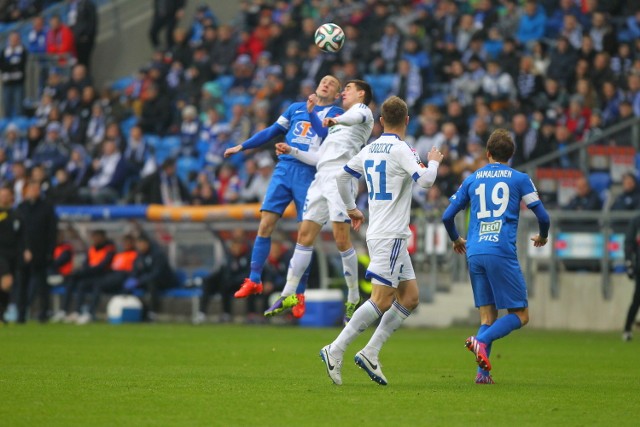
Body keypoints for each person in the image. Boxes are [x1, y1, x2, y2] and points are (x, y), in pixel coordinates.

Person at [320, 96, 443, 386]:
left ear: (381, 121)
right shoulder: (402, 149)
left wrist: (351, 208)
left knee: (409, 297)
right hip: (391, 235)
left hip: (381, 231)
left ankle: (371, 352)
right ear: (408, 120)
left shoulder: (370, 148)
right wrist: (434, 163)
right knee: (382, 299)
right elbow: (425, 181)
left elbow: (342, 177)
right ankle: (334, 349)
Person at [223, 75, 343, 315]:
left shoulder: (337, 113)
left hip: (309, 173)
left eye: (332, 83)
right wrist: (243, 146)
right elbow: (272, 131)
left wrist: (311, 113)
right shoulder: (295, 107)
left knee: (304, 235)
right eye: (324, 80)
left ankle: (299, 294)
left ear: (337, 94)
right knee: (266, 222)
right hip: (284, 169)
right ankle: (254, 278)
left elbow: (322, 137)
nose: (326, 83)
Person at [441, 128, 550, 384]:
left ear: (487, 153)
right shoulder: (520, 178)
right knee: (521, 315)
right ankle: (480, 341)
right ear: (510, 155)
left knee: (488, 317)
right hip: (500, 251)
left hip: (475, 251)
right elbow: (543, 217)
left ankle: (483, 374)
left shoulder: (472, 178)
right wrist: (542, 236)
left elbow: (447, 216)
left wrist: (457, 239)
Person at [266, 79, 374, 321]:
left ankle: (353, 298)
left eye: (348, 88)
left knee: (341, 239)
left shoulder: (362, 112)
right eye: (343, 88)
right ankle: (288, 294)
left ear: (361, 93)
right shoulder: (337, 124)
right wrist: (292, 150)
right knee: (304, 235)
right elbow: (319, 157)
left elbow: (352, 118)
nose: (344, 91)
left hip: (341, 177)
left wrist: (335, 119)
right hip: (321, 176)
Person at [51, 229, 116, 323]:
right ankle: (71, 311)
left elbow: (103, 265)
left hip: (103, 275)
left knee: (97, 286)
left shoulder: (109, 249)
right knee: (77, 282)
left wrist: (86, 271)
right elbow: (86, 263)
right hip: (91, 275)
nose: (95, 240)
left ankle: (90, 313)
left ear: (103, 238)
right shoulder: (92, 249)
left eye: (97, 237)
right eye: (93, 237)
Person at [16, 180, 57, 323]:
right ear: (26, 191)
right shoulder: (21, 208)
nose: (34, 191)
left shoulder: (46, 208)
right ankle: (21, 315)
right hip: (23, 253)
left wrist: (49, 252)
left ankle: (44, 314)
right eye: (31, 188)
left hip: (41, 253)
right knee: (22, 285)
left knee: (42, 285)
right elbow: (18, 233)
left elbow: (52, 232)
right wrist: (22, 250)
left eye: (36, 189)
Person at [79, 234, 138, 324]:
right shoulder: (119, 255)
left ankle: (90, 312)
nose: (125, 245)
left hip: (123, 276)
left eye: (128, 242)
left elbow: (134, 270)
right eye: (124, 242)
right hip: (113, 275)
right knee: (85, 284)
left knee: (98, 285)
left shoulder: (134, 255)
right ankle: (81, 311)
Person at [124, 234, 177, 320]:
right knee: (128, 286)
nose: (139, 246)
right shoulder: (139, 256)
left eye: (141, 243)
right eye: (138, 244)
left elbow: (156, 273)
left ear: (147, 243)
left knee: (151, 284)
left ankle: (152, 313)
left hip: (165, 281)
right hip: (146, 280)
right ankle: (134, 311)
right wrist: (132, 279)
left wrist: (139, 281)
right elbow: (136, 270)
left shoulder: (158, 254)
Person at [0, 185, 20, 322]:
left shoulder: (15, 214)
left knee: (7, 285)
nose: (4, 197)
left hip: (12, 254)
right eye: (2, 195)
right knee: (7, 281)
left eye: (6, 195)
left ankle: (2, 312)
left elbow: (21, 234)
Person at [0, 31, 28, 118]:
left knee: (19, 106)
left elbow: (21, 65)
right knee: (7, 106)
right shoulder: (4, 51)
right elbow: (3, 66)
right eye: (12, 38)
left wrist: (9, 67)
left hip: (18, 83)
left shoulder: (22, 50)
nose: (14, 40)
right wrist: (13, 66)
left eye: (16, 38)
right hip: (7, 83)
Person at [623, 214, 640, 341]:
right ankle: (627, 329)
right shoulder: (636, 221)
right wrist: (629, 262)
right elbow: (629, 243)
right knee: (637, 299)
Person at [67, 0, 98, 68]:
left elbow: (92, 21)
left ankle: (86, 77)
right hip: (75, 41)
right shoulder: (70, 7)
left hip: (84, 39)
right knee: (78, 64)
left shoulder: (86, 4)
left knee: (84, 63)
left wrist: (87, 36)